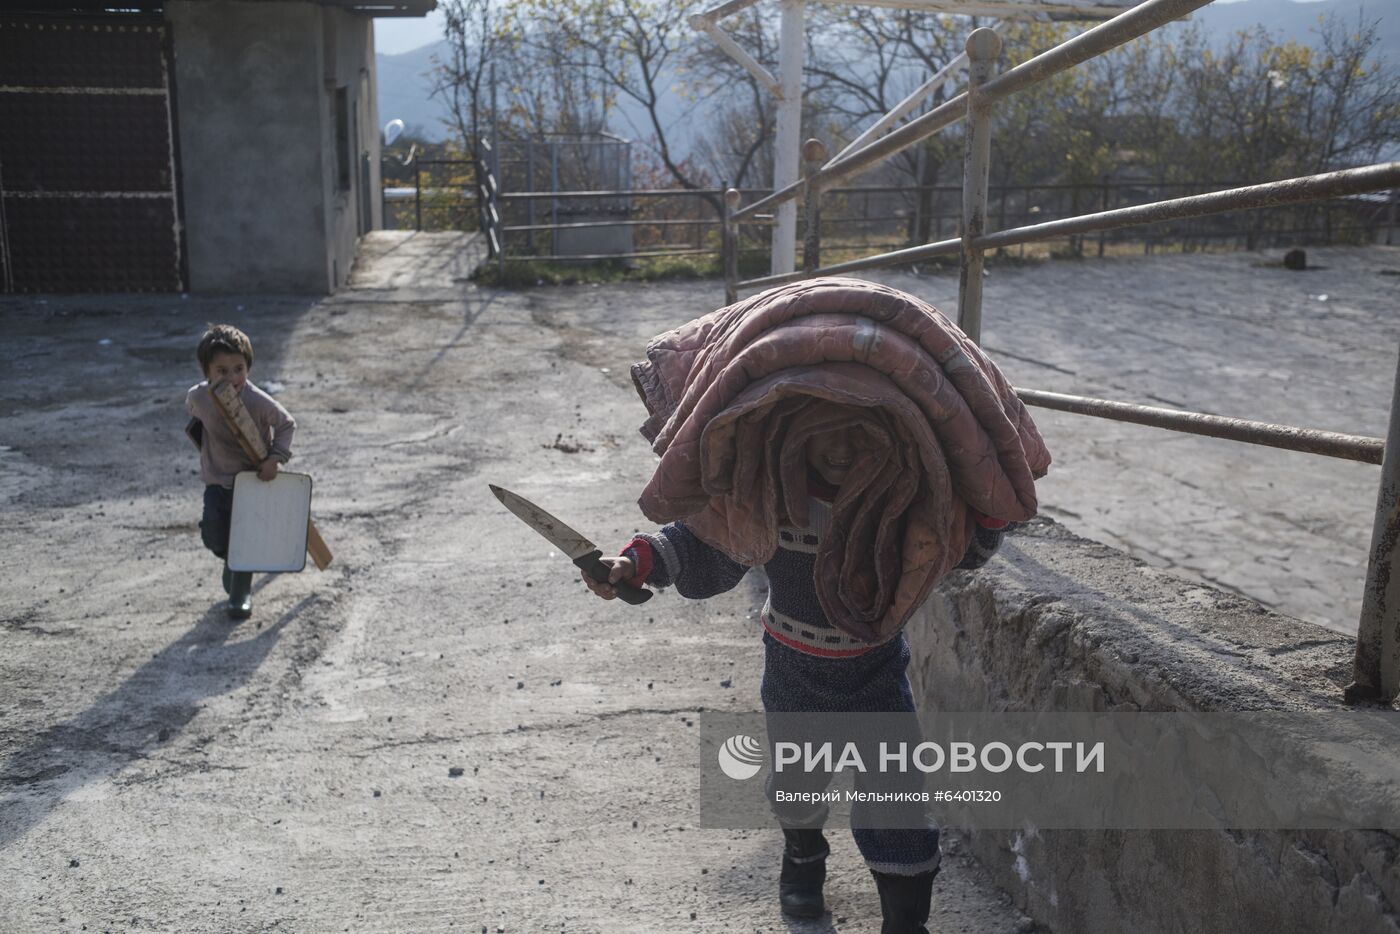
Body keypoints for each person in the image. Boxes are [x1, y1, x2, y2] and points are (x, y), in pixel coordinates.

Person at [582, 415, 1008, 933]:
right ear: (791, 426)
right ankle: (803, 865)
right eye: (825, 423)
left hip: (875, 674)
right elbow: (704, 543)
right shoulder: (765, 497)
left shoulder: (902, 498)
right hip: (792, 674)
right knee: (798, 784)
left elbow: (960, 546)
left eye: (861, 424)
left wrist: (991, 502)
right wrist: (635, 562)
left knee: (896, 803)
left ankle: (905, 925)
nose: (842, 442)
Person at [185, 324, 296, 619]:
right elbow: (196, 424)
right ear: (206, 370)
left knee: (245, 539)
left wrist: (275, 459)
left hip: (251, 481)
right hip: (216, 482)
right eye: (222, 370)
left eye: (238, 369)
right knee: (214, 536)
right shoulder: (198, 398)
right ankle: (230, 561)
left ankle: (240, 592)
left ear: (248, 368)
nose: (232, 378)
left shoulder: (256, 400)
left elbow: (286, 424)